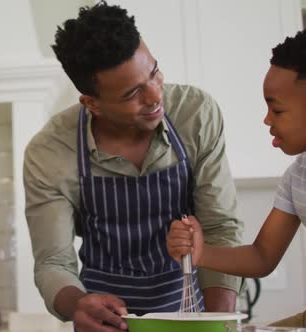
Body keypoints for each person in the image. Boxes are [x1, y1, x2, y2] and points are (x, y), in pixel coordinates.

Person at [23, 2, 244, 331]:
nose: (155, 96)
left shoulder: (195, 113)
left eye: (154, 73)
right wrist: (79, 305)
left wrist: (216, 323)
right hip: (107, 320)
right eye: (133, 93)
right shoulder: (51, 152)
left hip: (189, 312)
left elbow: (220, 229)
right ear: (92, 104)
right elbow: (53, 262)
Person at [167, 29, 306, 328]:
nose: (267, 119)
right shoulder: (296, 179)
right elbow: (261, 257)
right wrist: (202, 253)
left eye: (277, 109)